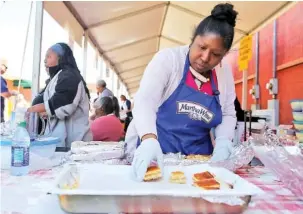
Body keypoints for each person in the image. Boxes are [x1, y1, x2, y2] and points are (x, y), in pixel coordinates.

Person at [126, 3, 238, 181]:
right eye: (201, 47)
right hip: (158, 155)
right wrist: (148, 139)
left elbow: (227, 113)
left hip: (199, 161)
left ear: (224, 55)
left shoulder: (224, 75)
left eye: (216, 54)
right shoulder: (168, 60)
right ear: (193, 39)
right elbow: (145, 101)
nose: (205, 58)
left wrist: (224, 140)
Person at [27, 43, 92, 147]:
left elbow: (63, 102)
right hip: (63, 142)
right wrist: (44, 112)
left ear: (61, 59)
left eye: (49, 56)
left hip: (74, 143)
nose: (45, 61)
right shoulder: (59, 77)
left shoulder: (69, 76)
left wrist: (33, 109)